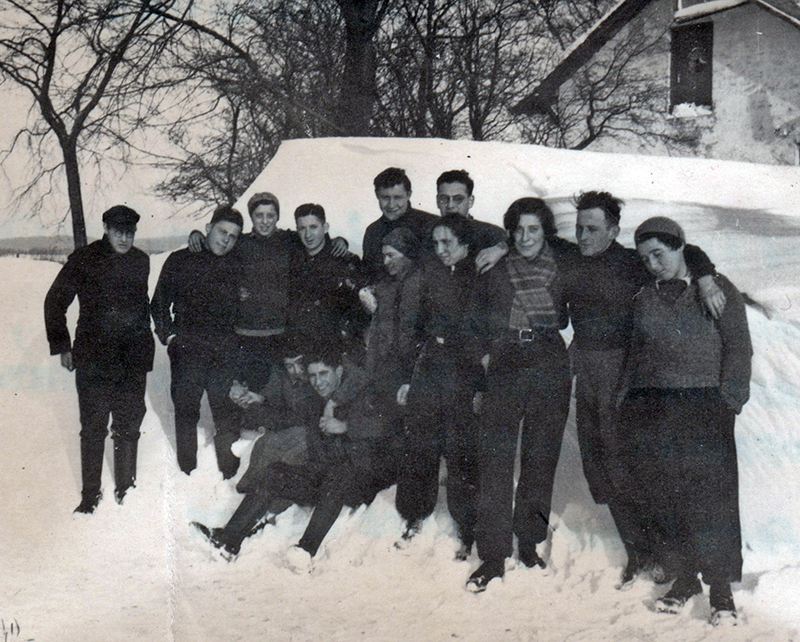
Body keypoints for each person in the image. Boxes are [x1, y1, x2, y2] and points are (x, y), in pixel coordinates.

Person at [561, 190, 725, 587]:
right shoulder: (570, 260)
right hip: (587, 369)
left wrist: (704, 278)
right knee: (597, 465)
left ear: (614, 230)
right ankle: (638, 553)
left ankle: (663, 556)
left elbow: (689, 250)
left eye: (593, 229)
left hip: (625, 373)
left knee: (628, 466)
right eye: (579, 228)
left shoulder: (632, 263)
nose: (583, 236)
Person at [615, 216, 751, 625]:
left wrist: (731, 397)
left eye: (659, 254)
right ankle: (685, 579)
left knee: (713, 498)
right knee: (668, 496)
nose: (653, 263)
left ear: (680, 249)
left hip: (706, 405)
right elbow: (636, 351)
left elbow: (738, 346)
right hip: (656, 407)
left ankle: (722, 591)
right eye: (645, 257)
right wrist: (629, 396)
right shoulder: (643, 297)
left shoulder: (715, 288)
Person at [193, 346, 395, 570]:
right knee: (276, 472)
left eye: (323, 374)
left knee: (341, 473)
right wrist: (258, 403)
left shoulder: (362, 395)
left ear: (338, 372)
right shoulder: (316, 400)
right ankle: (228, 540)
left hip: (360, 480)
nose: (318, 382)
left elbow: (385, 425)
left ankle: (306, 550)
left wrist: (346, 427)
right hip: (325, 476)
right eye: (313, 376)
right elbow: (286, 417)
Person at [465, 198, 572, 592]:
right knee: (495, 459)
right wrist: (487, 355)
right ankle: (492, 555)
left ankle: (528, 542)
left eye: (534, 230)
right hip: (506, 358)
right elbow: (473, 320)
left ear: (546, 233)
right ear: (510, 232)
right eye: (518, 230)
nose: (526, 237)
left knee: (540, 456)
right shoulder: (495, 268)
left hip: (549, 358)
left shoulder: (563, 265)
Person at [44, 205, 155, 513]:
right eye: (119, 231)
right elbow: (55, 301)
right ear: (106, 228)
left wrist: (145, 350)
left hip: (131, 360)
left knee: (128, 424)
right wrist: (62, 345)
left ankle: (126, 486)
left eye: (130, 232)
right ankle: (90, 494)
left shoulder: (141, 261)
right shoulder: (84, 260)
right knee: (93, 428)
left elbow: (141, 307)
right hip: (95, 359)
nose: (124, 238)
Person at [186, 192, 349, 390]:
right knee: (251, 389)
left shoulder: (289, 240)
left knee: (280, 389)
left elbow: (315, 238)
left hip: (281, 333)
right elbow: (217, 244)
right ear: (251, 218)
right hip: (246, 333)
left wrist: (339, 241)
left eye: (270, 215)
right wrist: (197, 234)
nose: (265, 221)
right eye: (259, 215)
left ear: (277, 217)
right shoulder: (241, 243)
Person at [394, 214, 483, 560]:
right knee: (420, 442)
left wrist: (480, 383)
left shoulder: (478, 276)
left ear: (465, 243)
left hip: (464, 369)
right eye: (436, 243)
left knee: (461, 447)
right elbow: (414, 327)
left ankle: (468, 524)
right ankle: (414, 514)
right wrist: (409, 374)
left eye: (448, 243)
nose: (441, 249)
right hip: (431, 365)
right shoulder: (429, 275)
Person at [150, 205, 244, 478]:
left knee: (224, 409)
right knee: (186, 407)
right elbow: (158, 303)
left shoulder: (238, 264)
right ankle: (186, 470)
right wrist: (169, 336)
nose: (226, 240)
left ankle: (229, 472)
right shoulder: (181, 260)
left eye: (233, 236)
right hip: (188, 347)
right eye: (221, 232)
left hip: (224, 349)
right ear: (208, 229)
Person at [289, 203, 366, 350]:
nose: (308, 235)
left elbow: (363, 309)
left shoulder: (347, 261)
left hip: (339, 348)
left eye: (313, 227)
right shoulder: (293, 259)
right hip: (302, 346)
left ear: (325, 228)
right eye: (302, 228)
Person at [361, 167, 437, 283]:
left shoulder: (430, 224)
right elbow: (367, 274)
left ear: (408, 194)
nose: (391, 205)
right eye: (385, 198)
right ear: (377, 195)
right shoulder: (372, 231)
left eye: (397, 197)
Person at [432, 169, 508, 274]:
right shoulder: (427, 234)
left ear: (470, 201)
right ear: (437, 201)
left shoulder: (492, 235)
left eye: (458, 199)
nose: (450, 205)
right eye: (444, 199)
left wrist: (503, 248)